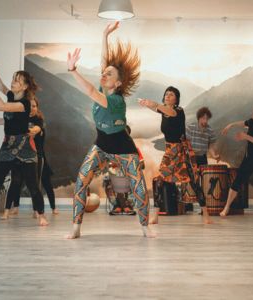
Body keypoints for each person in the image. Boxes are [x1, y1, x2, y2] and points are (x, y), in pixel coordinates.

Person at [66, 22, 155, 239]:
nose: (103, 75)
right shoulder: (104, 88)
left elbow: (88, 90)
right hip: (102, 145)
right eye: (103, 73)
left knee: (139, 188)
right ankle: (76, 227)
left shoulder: (115, 101)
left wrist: (73, 70)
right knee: (81, 179)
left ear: (117, 83)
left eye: (109, 74)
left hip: (124, 148)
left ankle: (145, 227)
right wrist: (104, 34)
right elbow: (104, 61)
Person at [0, 47, 48, 226]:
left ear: (24, 86)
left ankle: (41, 216)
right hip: (8, 146)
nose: (13, 83)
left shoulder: (24, 103)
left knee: (33, 185)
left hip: (24, 146)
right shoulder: (11, 95)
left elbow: (0, 106)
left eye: (17, 81)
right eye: (13, 79)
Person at [139, 87, 212, 224]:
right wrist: (146, 104)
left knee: (193, 181)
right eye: (166, 94)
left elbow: (167, 111)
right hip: (170, 150)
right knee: (159, 181)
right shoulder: (163, 111)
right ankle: (156, 215)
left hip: (182, 150)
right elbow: (158, 109)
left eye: (171, 94)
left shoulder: (178, 111)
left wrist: (153, 103)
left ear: (176, 99)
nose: (167, 96)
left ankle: (206, 214)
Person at [0, 98, 59, 218]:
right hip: (18, 155)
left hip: (36, 157)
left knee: (35, 184)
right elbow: (2, 120)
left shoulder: (38, 120)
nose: (32, 108)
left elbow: (37, 128)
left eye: (35, 106)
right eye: (30, 106)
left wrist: (32, 131)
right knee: (15, 182)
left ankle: (39, 211)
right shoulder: (21, 118)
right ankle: (7, 210)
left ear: (37, 108)